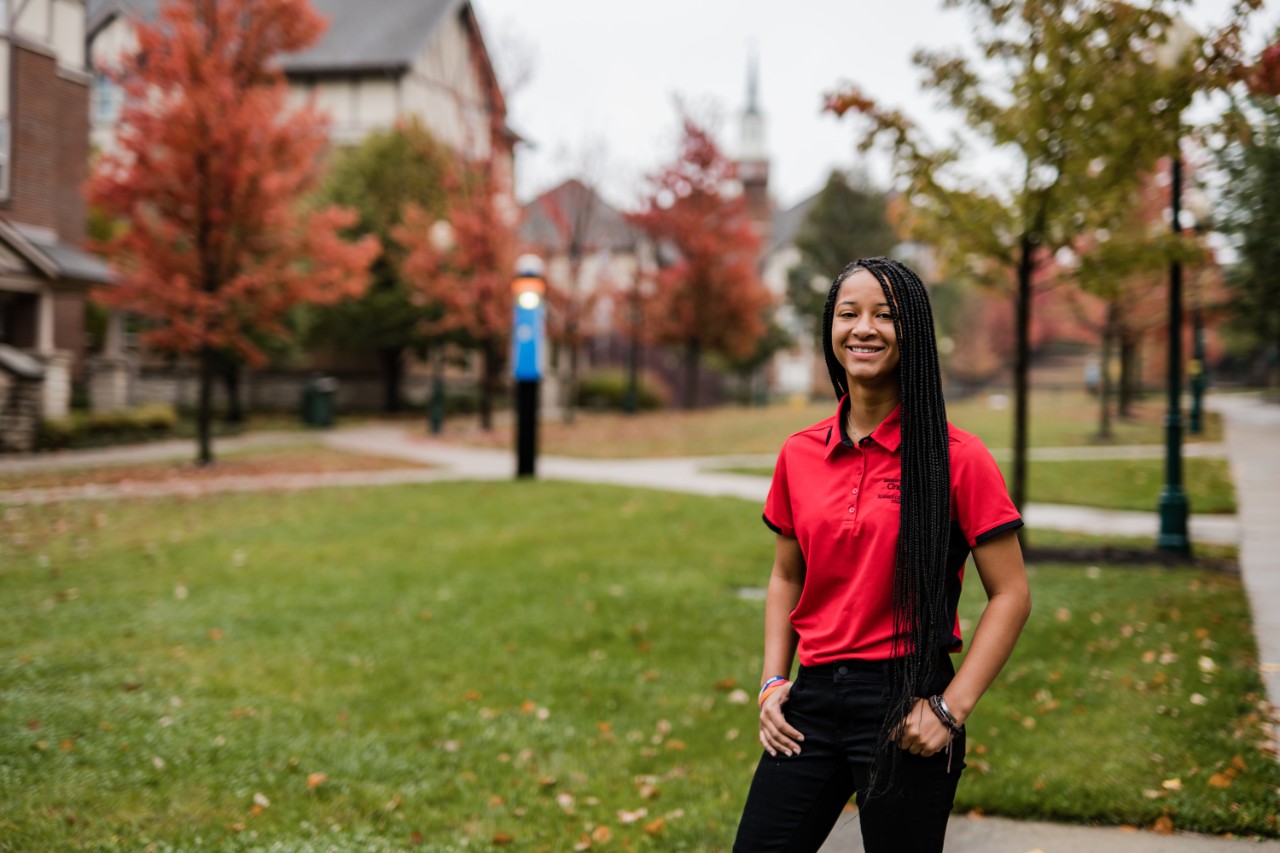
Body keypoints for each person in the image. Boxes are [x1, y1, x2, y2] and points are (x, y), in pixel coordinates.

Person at [733, 258, 1031, 853]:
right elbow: (786, 574)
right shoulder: (799, 454)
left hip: (906, 703)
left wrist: (951, 709)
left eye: (884, 315)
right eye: (849, 313)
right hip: (812, 703)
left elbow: (1011, 594)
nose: (863, 328)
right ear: (830, 329)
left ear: (912, 332)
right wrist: (772, 680)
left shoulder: (956, 457)